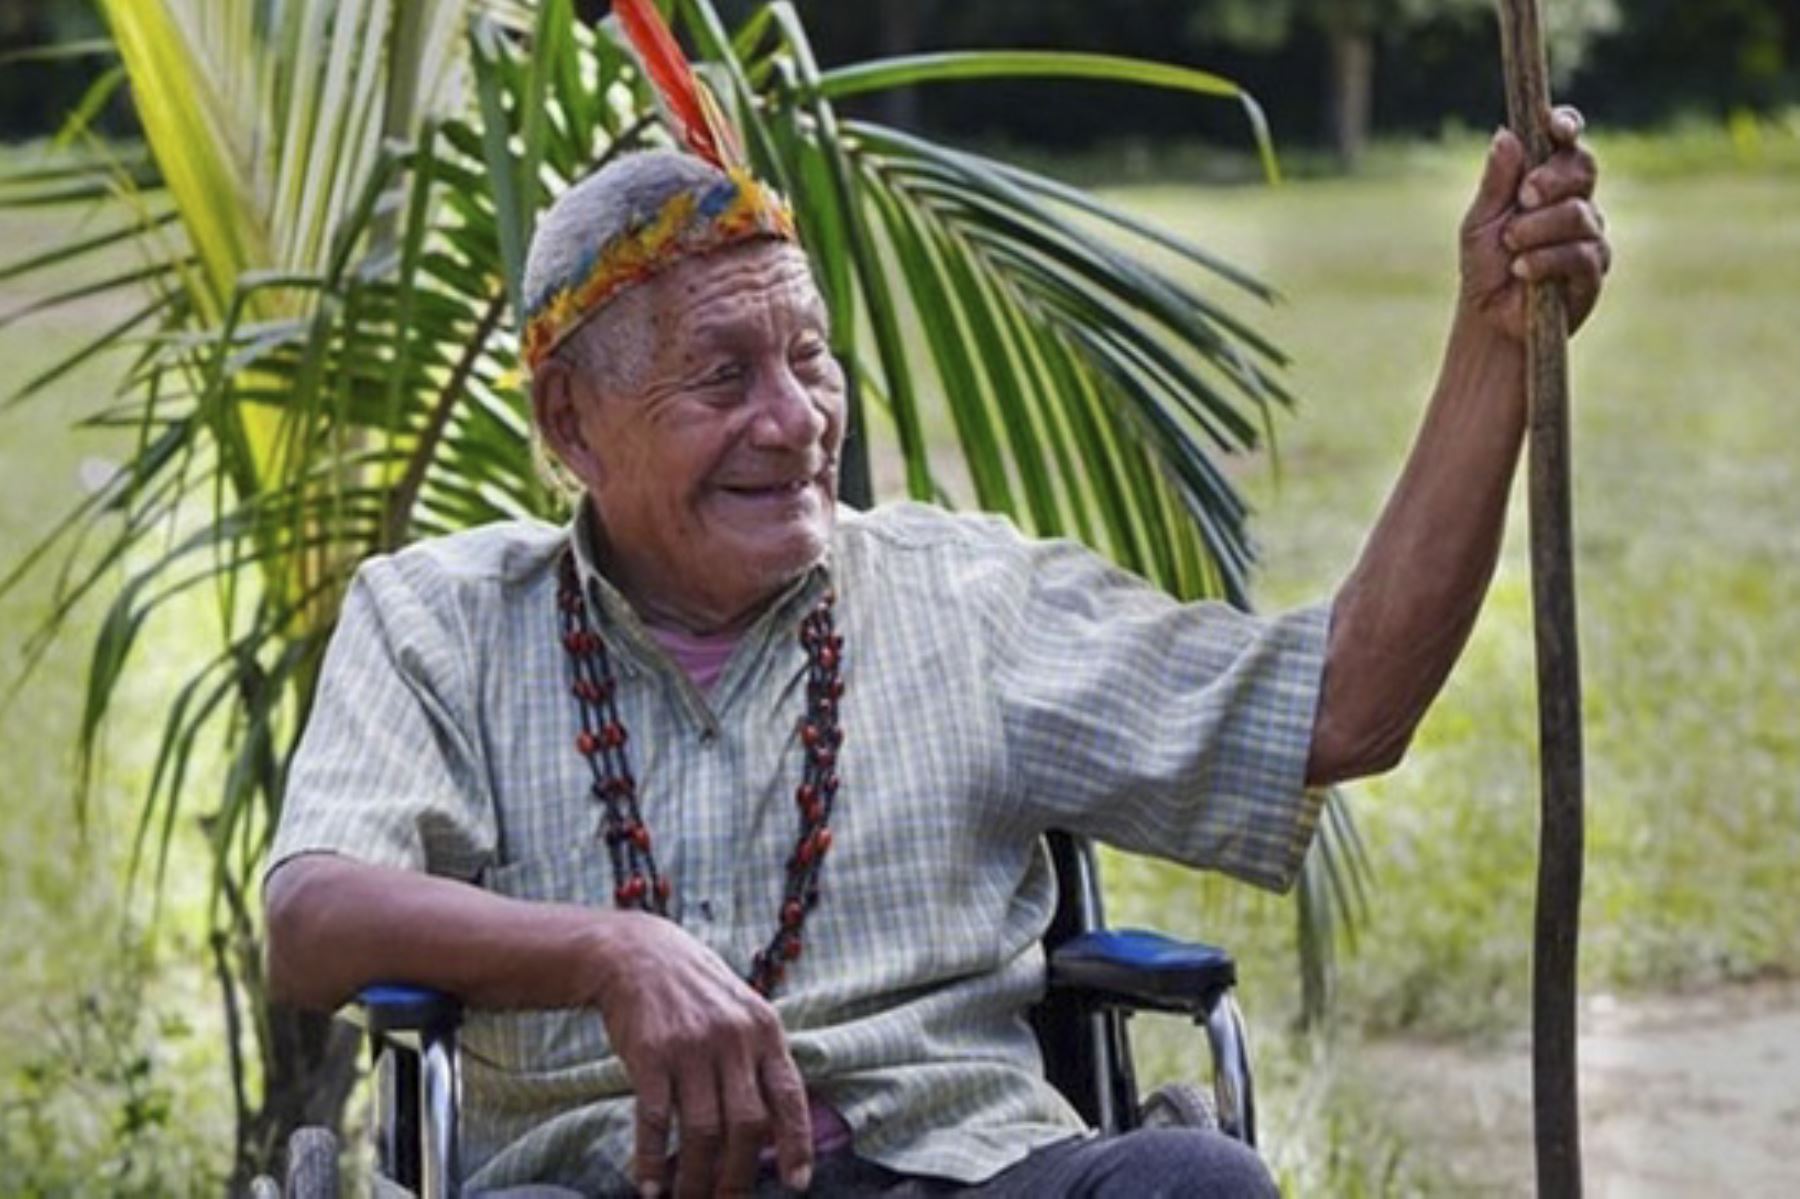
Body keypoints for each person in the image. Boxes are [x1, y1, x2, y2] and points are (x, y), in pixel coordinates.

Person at [264, 108, 1609, 1196]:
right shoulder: (436, 619)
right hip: (603, 1178)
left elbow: (1344, 708)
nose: (794, 422)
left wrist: (1493, 349)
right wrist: (613, 955)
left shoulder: (965, 601)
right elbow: (313, 921)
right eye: (724, 378)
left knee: (1196, 1184)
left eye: (811, 359)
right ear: (572, 425)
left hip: (961, 1167)